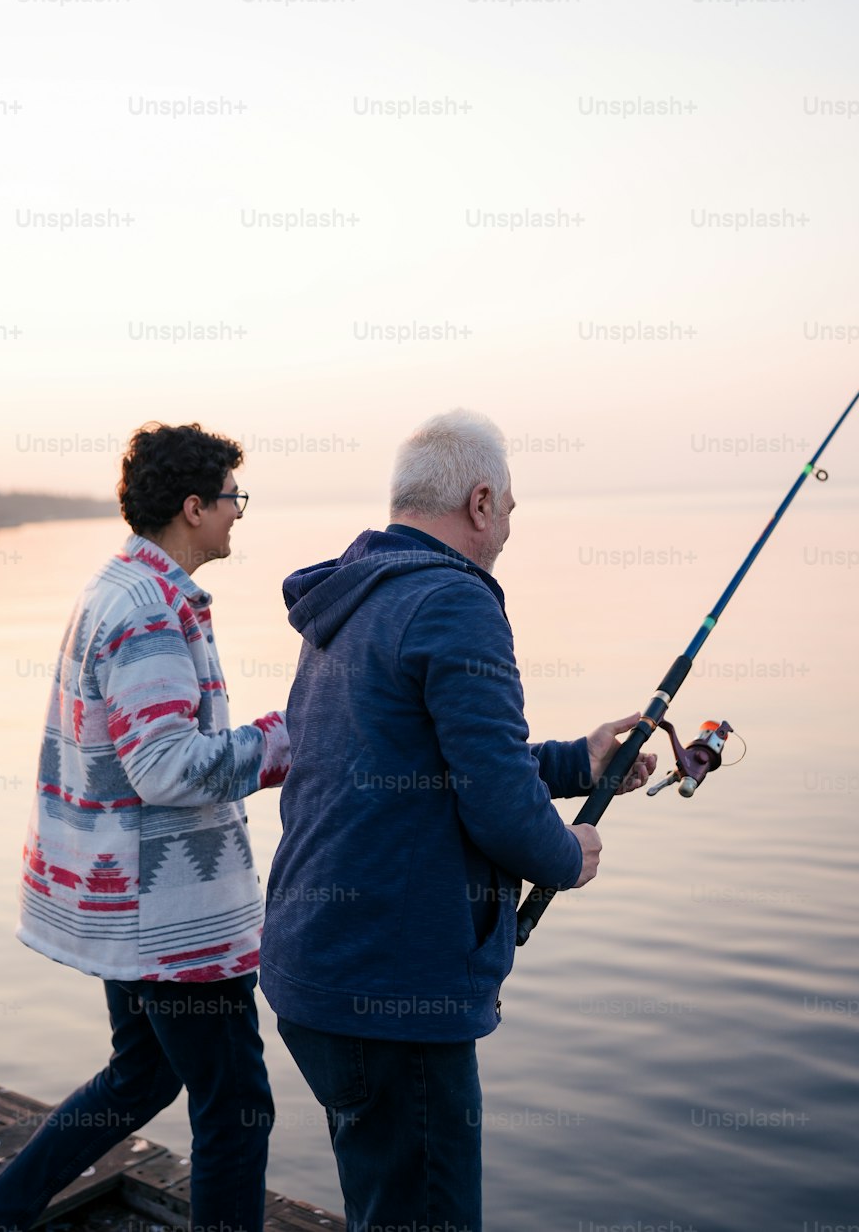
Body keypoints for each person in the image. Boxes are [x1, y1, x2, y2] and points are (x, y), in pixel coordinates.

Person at [259, 409, 656, 1232]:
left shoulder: (356, 596)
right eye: (510, 505)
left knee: (387, 1204)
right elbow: (505, 814)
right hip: (391, 985)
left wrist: (581, 762)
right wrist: (565, 853)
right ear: (480, 502)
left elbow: (431, 764)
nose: (510, 524)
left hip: (317, 968)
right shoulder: (455, 602)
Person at [0, 422, 290, 1232]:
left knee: (141, 1077)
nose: (237, 515)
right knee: (237, 1110)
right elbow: (169, 766)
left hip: (127, 900)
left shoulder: (117, 587)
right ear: (191, 507)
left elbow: (146, 749)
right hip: (171, 917)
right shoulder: (146, 610)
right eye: (229, 499)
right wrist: (284, 739)